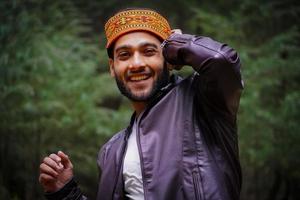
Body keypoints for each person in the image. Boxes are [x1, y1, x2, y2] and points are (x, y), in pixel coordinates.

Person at [39, 8, 243, 200]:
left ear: (168, 60)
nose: (136, 64)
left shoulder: (203, 103)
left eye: (148, 51)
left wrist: (176, 44)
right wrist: (65, 193)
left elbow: (221, 60)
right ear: (113, 67)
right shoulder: (111, 151)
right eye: (125, 55)